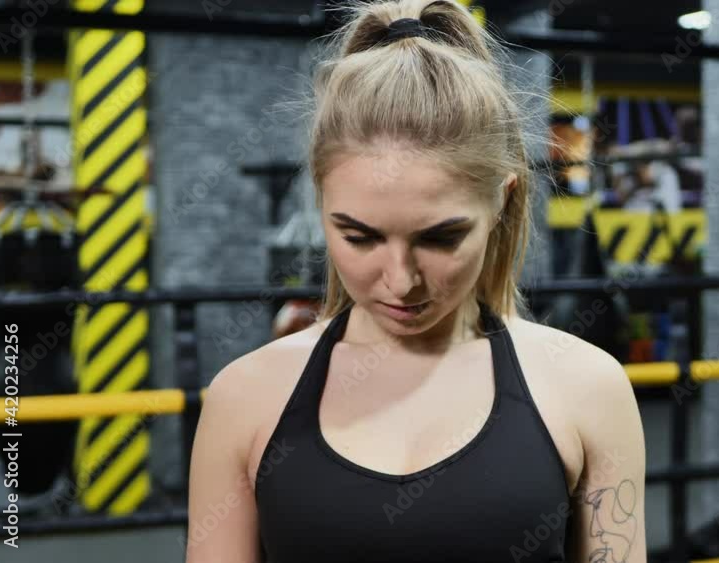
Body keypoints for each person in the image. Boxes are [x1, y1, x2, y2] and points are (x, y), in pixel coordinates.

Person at [185, 1, 647, 562]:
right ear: (323, 204)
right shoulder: (246, 398)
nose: (400, 282)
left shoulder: (586, 389)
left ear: (501, 202)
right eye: (359, 237)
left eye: (440, 238)